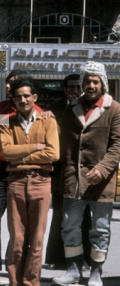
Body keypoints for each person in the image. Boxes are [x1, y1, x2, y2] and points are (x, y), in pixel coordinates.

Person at [54, 62, 120, 286]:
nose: (91, 85)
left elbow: (117, 145)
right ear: (82, 84)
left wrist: (102, 169)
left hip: (102, 181)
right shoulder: (72, 108)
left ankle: (95, 272)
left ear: (103, 83)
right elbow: (63, 145)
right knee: (69, 225)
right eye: (87, 81)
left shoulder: (115, 109)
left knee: (100, 228)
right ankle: (73, 270)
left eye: (95, 81)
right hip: (74, 179)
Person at [0, 70, 43, 280]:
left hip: (25, 169)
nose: (8, 88)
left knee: (21, 222)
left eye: (12, 84)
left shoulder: (38, 112)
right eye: (8, 85)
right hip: (3, 168)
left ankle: (18, 265)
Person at [0, 79, 59, 286]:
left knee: (36, 240)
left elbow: (53, 153)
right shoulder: (7, 122)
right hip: (15, 184)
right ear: (13, 100)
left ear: (35, 97)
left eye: (27, 96)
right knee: (17, 240)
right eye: (18, 97)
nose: (23, 100)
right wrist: (35, 147)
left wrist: (21, 158)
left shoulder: (49, 120)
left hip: (41, 182)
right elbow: (6, 151)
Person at [45, 74, 91, 270]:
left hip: (83, 168)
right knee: (60, 214)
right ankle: (57, 257)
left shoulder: (89, 109)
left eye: (78, 87)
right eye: (71, 87)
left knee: (84, 214)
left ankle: (85, 259)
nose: (75, 91)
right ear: (64, 90)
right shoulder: (55, 110)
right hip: (61, 169)